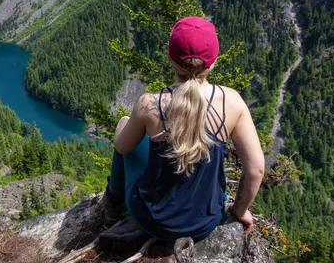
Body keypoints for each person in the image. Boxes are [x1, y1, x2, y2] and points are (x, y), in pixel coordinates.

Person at [99, 16, 265, 251]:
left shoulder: (150, 104)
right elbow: (256, 169)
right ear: (213, 61)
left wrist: (122, 126)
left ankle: (113, 206)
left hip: (151, 220)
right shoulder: (232, 102)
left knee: (126, 129)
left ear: (170, 58)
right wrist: (240, 211)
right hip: (205, 223)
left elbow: (123, 147)